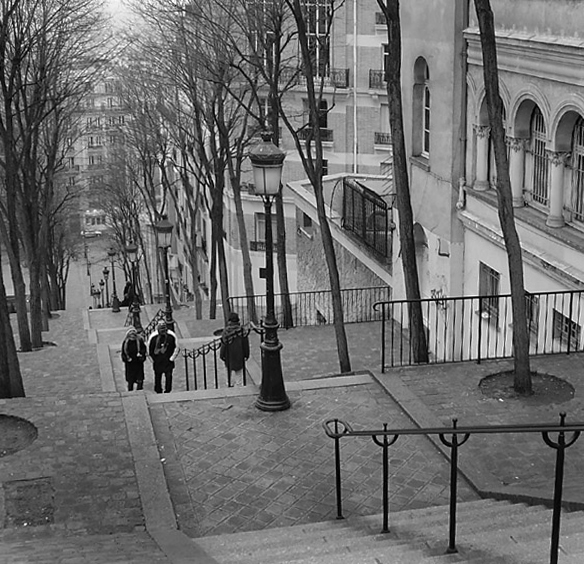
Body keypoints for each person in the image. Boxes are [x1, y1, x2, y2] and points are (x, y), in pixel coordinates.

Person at [147, 321, 180, 393]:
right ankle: (158, 390)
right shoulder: (153, 337)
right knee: (157, 376)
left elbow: (176, 347)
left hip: (168, 360)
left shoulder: (171, 336)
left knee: (168, 376)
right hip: (158, 361)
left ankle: (168, 390)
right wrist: (153, 360)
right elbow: (149, 349)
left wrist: (172, 358)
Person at [220, 312, 250, 387]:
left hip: (228, 355)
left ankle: (229, 385)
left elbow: (223, 344)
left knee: (228, 372)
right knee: (238, 374)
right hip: (239, 355)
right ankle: (239, 388)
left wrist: (222, 355)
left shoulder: (226, 332)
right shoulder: (242, 331)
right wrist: (246, 354)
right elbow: (245, 344)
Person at [121, 327, 147, 391]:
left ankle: (140, 390)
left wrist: (141, 356)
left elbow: (144, 350)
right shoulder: (126, 343)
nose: (132, 336)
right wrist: (126, 359)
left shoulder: (139, 341)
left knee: (140, 379)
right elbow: (123, 353)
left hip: (138, 363)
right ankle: (130, 390)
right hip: (130, 364)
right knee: (130, 380)